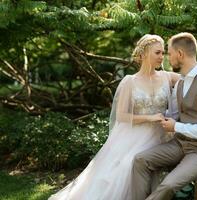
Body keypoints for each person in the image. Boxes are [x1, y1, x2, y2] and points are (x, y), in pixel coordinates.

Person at [48, 34, 180, 200]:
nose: (162, 57)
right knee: (126, 164)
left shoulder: (167, 76)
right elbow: (121, 115)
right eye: (158, 53)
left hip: (160, 135)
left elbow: (192, 79)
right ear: (144, 54)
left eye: (163, 53)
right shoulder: (129, 82)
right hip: (135, 135)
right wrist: (150, 118)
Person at [131, 32, 197, 200]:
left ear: (180, 54)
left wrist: (176, 126)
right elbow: (172, 115)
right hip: (181, 144)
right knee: (140, 160)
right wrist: (145, 116)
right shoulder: (180, 82)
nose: (167, 57)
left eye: (170, 53)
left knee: (168, 185)